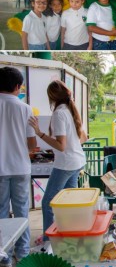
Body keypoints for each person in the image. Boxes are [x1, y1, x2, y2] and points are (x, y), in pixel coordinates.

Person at [28, 80, 88, 244]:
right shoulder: (69, 110)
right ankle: (70, 235)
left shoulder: (59, 113)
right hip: (76, 161)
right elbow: (82, 138)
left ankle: (49, 239)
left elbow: (61, 146)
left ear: (52, 97)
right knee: (70, 203)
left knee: (48, 202)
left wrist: (39, 133)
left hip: (66, 164)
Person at [0, 67, 37, 267]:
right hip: (20, 167)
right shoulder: (25, 108)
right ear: (17, 86)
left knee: (1, 212)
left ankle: (3, 256)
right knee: (22, 210)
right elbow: (31, 144)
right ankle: (23, 253)